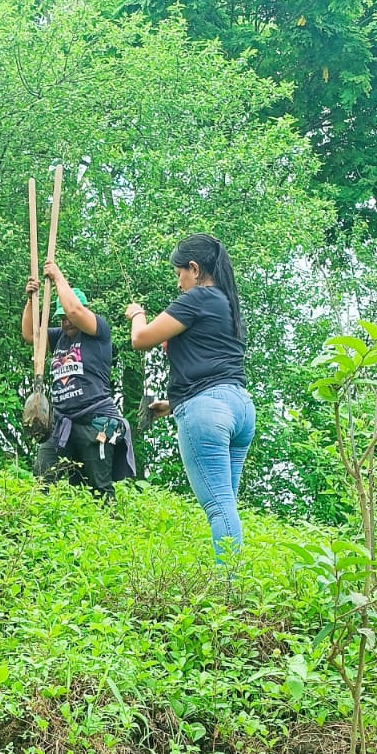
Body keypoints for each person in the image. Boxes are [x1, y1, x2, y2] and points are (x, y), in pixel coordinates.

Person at [124, 234, 255, 559]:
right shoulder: (227, 303)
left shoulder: (197, 297)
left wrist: (137, 314)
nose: (178, 283)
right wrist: (174, 404)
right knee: (227, 502)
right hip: (239, 407)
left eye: (179, 273)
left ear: (194, 269)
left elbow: (141, 339)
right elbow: (213, 365)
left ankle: (229, 582)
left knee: (219, 507)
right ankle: (234, 576)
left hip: (207, 411)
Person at [21, 260, 135, 504]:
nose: (66, 322)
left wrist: (57, 276)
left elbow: (74, 311)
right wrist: (31, 300)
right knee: (43, 478)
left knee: (99, 489)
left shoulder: (97, 331)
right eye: (61, 318)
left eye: (69, 317)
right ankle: (39, 521)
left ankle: (109, 524)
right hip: (62, 422)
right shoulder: (59, 337)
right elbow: (31, 335)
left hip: (95, 421)